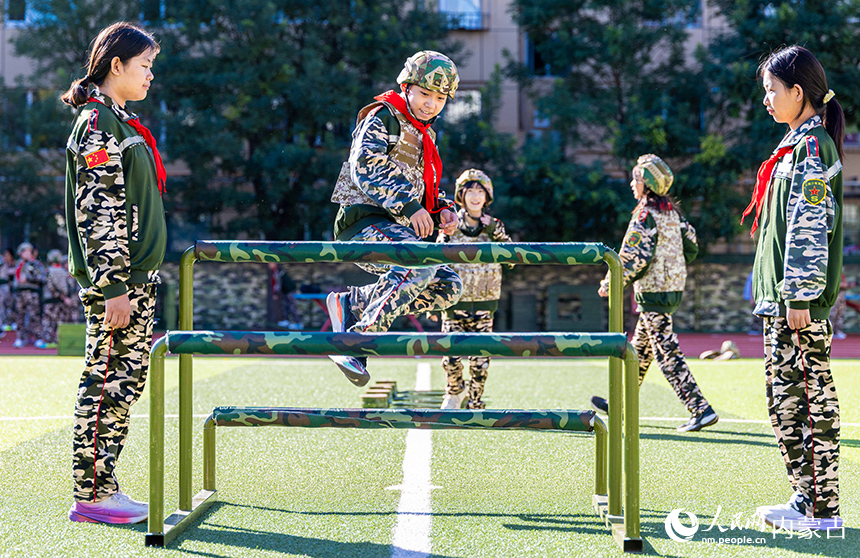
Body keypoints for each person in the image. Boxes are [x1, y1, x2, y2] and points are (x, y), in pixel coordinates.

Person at [62, 22, 167, 524]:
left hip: (133, 281)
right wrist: (114, 288)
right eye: (144, 65)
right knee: (106, 383)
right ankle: (93, 495)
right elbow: (98, 210)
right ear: (116, 65)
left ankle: (103, 487)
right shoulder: (99, 125)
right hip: (118, 285)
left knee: (123, 383)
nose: (150, 76)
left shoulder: (120, 122)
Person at [747, 46, 844, 532]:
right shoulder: (793, 148)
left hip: (796, 305)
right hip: (783, 301)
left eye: (772, 90)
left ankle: (822, 510)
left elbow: (810, 226)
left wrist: (800, 296)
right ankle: (807, 500)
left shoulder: (809, 150)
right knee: (786, 402)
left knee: (807, 399)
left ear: (798, 92)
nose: (766, 99)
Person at [325, 50, 462, 386]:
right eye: (425, 94)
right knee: (420, 263)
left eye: (440, 98)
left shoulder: (426, 134)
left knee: (449, 285)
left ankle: (354, 303)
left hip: (397, 229)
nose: (431, 104)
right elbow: (365, 167)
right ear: (407, 86)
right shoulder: (382, 117)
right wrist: (410, 207)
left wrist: (440, 208)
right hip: (363, 224)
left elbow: (422, 187)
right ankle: (356, 342)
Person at [590, 154, 718, 433]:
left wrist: (609, 283)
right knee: (641, 350)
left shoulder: (645, 215)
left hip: (654, 292)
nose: (632, 185)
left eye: (636, 179)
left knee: (665, 353)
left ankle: (700, 408)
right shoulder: (673, 213)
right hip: (671, 287)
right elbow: (692, 246)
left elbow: (633, 256)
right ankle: (620, 403)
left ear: (646, 185)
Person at [437, 169, 511, 409]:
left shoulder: (494, 227)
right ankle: (454, 392)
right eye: (471, 192)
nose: (476, 197)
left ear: (487, 197)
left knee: (480, 360)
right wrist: (435, 299)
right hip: (453, 302)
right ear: (462, 195)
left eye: (480, 191)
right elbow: (435, 260)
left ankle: (475, 402)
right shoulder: (450, 226)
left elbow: (512, 257)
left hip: (484, 302)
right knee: (451, 357)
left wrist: (494, 232)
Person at [12, 242, 46, 348]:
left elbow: (42, 278)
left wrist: (29, 278)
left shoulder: (36, 264)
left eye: (28, 251)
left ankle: (39, 338)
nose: (26, 254)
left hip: (32, 293)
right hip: (19, 293)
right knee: (20, 316)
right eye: (24, 251)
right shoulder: (18, 264)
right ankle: (20, 338)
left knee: (34, 315)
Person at [40, 249, 74, 348]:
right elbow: (70, 285)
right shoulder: (64, 272)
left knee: (48, 322)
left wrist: (60, 296)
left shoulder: (47, 271)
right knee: (60, 322)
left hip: (50, 300)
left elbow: (50, 286)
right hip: (61, 301)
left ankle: (48, 341)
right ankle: (59, 342)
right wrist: (65, 297)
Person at [0, 247, 15, 333]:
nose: (6, 256)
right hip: (2, 286)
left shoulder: (13, 263)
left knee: (9, 305)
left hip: (8, 287)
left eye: (8, 255)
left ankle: (9, 322)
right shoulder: (2, 261)